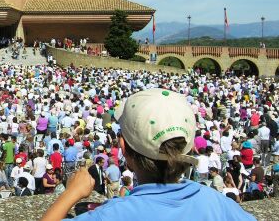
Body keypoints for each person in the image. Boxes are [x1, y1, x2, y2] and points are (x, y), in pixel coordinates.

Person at [41, 88, 255, 221]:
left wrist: (72, 193)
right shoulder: (217, 203)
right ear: (188, 149)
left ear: (124, 150)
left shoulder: (113, 214)